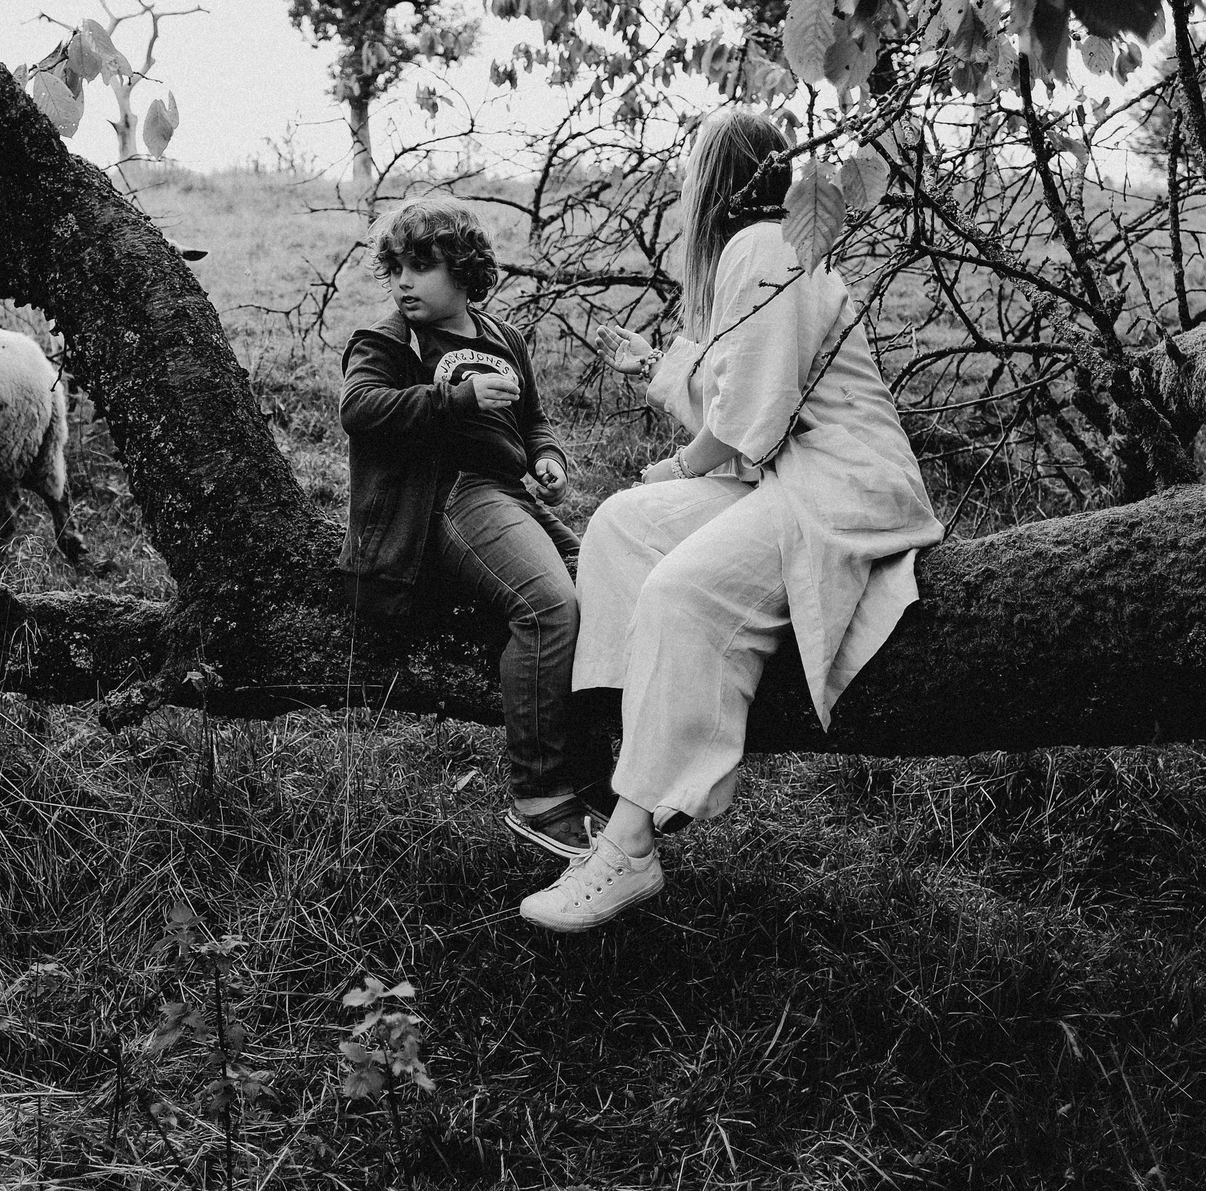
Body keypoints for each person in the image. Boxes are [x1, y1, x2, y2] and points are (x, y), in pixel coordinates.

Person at [520, 108, 944, 932]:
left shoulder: (767, 246)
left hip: (841, 482)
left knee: (682, 591)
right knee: (618, 526)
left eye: (692, 173)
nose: (684, 188)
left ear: (720, 180)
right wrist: (657, 371)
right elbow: (733, 393)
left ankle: (632, 844)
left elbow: (750, 416)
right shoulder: (756, 257)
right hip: (783, 473)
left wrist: (682, 464)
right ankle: (631, 753)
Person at [338, 197, 609, 858]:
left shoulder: (500, 338)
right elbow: (359, 407)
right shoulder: (393, 341)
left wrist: (547, 458)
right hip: (451, 497)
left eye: (421, 266)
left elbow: (533, 418)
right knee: (548, 607)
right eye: (396, 266)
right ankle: (540, 796)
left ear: (464, 269)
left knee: (601, 588)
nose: (404, 280)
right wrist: (452, 398)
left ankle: (599, 779)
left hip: (513, 494)